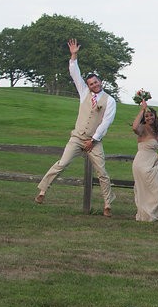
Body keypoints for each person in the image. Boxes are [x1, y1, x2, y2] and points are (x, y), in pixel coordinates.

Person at [35, 38, 117, 216]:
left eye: (96, 82)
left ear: (100, 82)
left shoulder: (109, 101)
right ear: (88, 86)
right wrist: (74, 56)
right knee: (62, 163)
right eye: (91, 84)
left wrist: (93, 140)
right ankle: (42, 191)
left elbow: (106, 122)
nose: (94, 85)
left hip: (94, 141)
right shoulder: (84, 93)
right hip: (77, 137)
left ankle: (107, 204)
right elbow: (75, 73)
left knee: (102, 172)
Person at [130, 100, 158, 222]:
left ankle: (153, 213)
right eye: (146, 116)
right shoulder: (142, 129)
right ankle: (147, 214)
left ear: (155, 116)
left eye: (151, 115)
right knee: (148, 189)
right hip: (142, 163)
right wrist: (142, 109)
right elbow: (134, 127)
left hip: (154, 162)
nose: (149, 118)